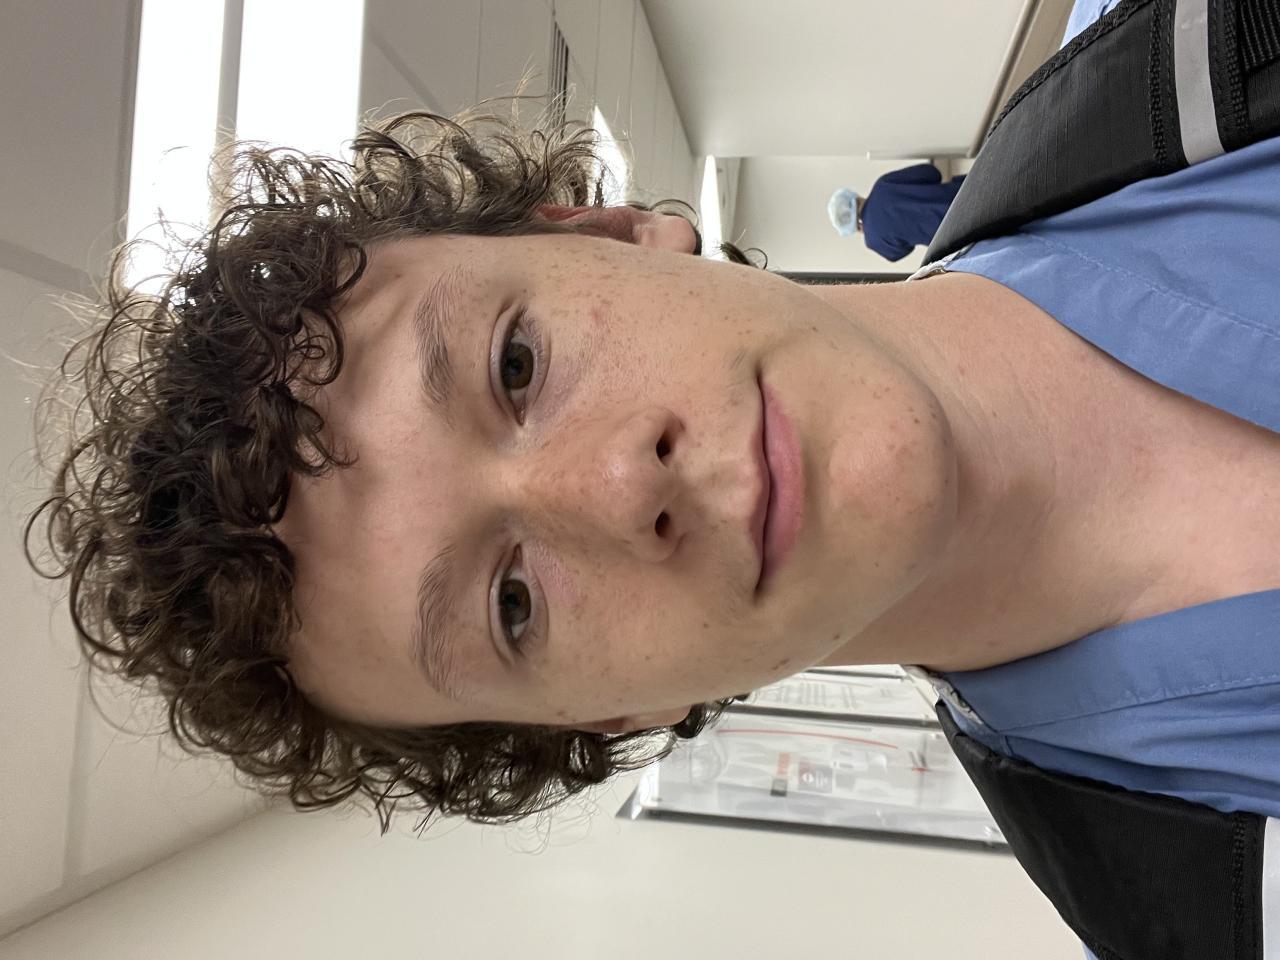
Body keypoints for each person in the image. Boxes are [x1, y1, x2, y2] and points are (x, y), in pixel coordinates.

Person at [22, 0, 1280, 948]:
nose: (618, 491)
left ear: (613, 231)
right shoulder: (1219, 913)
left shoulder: (1195, 40)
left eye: (516, 365)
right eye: (512, 604)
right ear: (607, 715)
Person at [826, 164, 966, 262]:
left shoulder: (874, 241)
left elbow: (902, 252)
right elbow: (932, 173)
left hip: (960, 236)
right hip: (963, 195)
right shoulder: (882, 185)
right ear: (854, 197)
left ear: (852, 228)